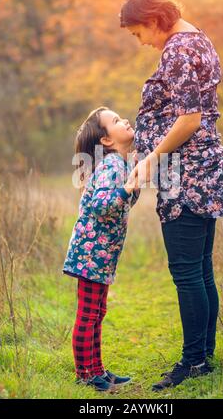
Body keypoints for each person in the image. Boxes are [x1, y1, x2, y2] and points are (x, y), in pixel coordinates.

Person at [120, 0, 223, 391]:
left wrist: (151, 159)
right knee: (200, 271)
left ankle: (192, 363)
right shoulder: (196, 38)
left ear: (153, 20)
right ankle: (204, 358)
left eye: (138, 34)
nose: (141, 42)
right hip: (203, 171)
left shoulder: (179, 48)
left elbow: (189, 119)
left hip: (188, 177)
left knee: (188, 273)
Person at [63, 106, 139, 392]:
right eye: (117, 121)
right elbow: (102, 206)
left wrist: (132, 183)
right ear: (106, 140)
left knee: (97, 310)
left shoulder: (119, 164)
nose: (125, 120)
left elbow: (121, 203)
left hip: (101, 255)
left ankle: (97, 369)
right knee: (88, 313)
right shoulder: (109, 166)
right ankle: (85, 373)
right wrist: (128, 188)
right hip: (91, 254)